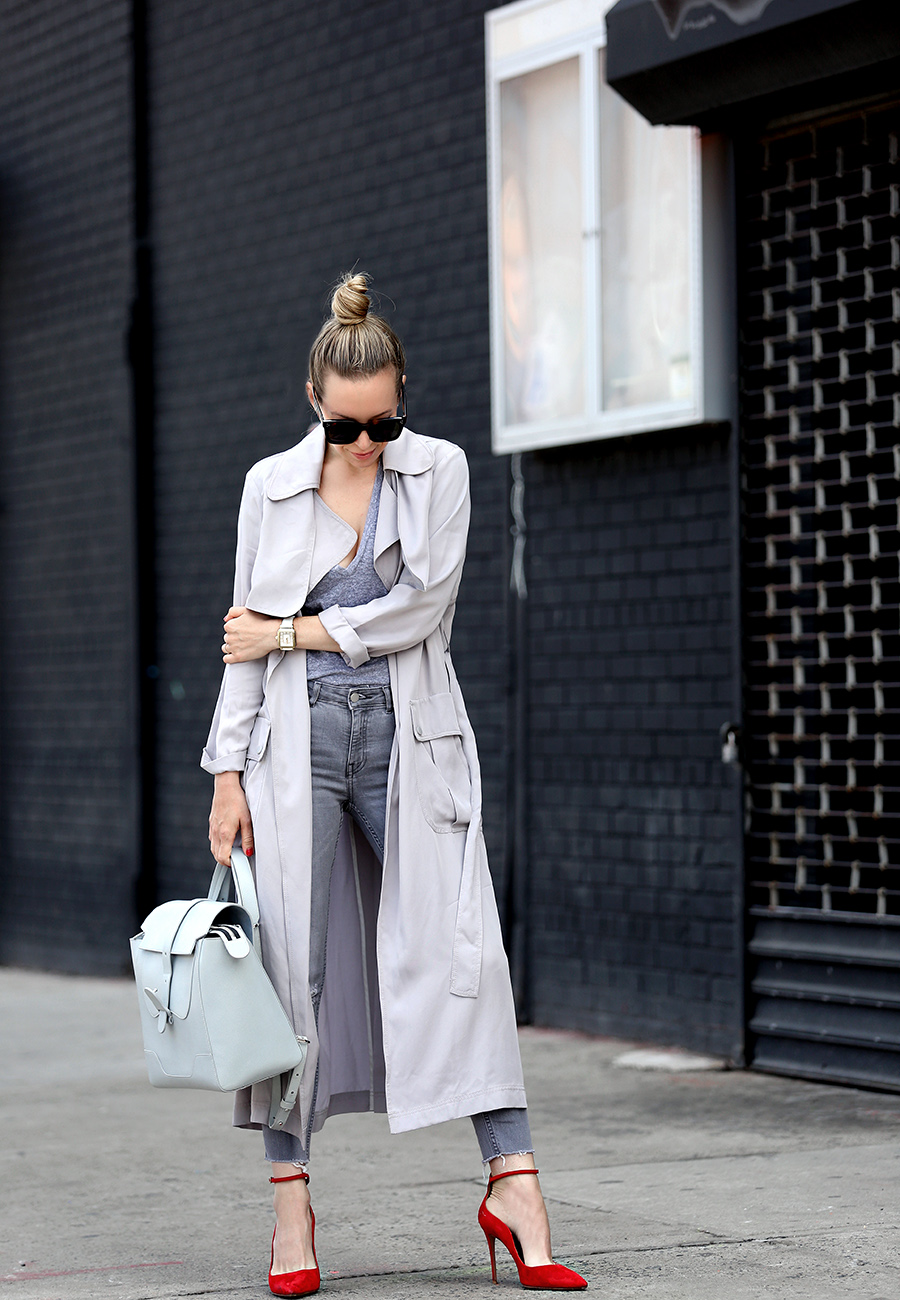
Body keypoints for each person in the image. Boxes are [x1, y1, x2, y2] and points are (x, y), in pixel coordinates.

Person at [203, 272, 587, 1297]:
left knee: (462, 952)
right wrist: (225, 771)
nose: (366, 444)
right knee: (291, 975)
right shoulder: (267, 486)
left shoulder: (443, 472)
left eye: (384, 422)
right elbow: (240, 648)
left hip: (411, 736)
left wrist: (292, 628)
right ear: (314, 403)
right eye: (345, 427)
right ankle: (291, 1201)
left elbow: (422, 609)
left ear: (404, 392)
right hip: (293, 744)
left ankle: (515, 1185)